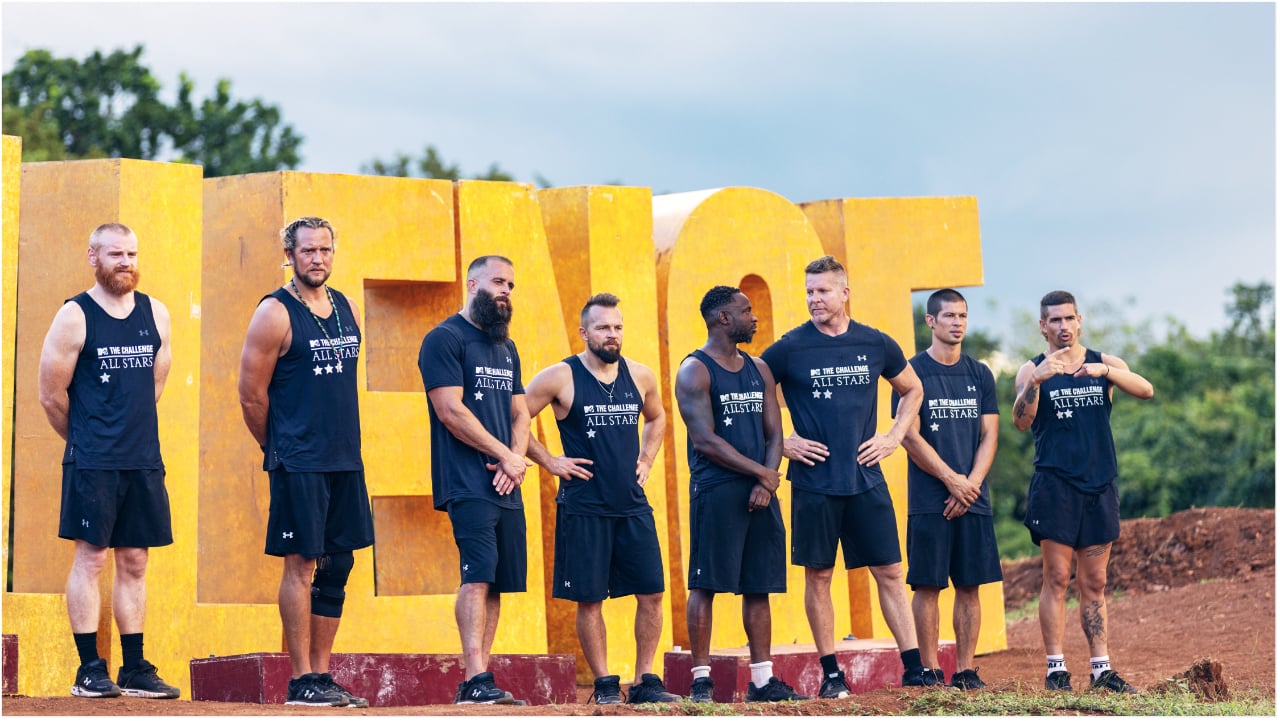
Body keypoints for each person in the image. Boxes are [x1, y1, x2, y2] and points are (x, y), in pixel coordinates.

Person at [761, 255, 927, 697]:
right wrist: (783, 444)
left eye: (823, 291)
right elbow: (746, 396)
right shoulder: (788, 348)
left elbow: (913, 389)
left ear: (844, 293)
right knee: (819, 576)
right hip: (814, 482)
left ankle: (914, 668)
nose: (814, 299)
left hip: (866, 479)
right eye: (810, 292)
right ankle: (832, 673)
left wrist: (893, 436)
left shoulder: (876, 343)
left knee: (890, 571)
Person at [38, 222, 180, 700]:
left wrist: (125, 432)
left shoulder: (156, 313)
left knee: (136, 561)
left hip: (142, 458)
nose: (126, 263)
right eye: (116, 254)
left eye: (132, 254)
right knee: (92, 557)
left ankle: (135, 668)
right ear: (92, 256)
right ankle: (88, 670)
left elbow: (154, 388)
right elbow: (51, 396)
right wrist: (86, 440)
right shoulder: (75, 316)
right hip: (93, 459)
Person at [238, 216, 375, 707]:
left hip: (345, 457)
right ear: (290, 255)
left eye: (324, 250)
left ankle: (322, 675)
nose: (317, 259)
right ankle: (300, 680)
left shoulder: (348, 308)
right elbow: (251, 397)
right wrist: (275, 449)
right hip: (298, 460)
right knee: (302, 563)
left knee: (339, 562)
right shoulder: (274, 313)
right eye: (308, 251)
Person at [524, 293, 681, 705]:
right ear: (584, 332)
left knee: (652, 592)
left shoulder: (640, 375)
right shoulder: (560, 376)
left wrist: (646, 458)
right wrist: (549, 461)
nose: (612, 335)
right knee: (589, 599)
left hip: (631, 504)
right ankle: (605, 684)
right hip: (584, 506)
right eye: (603, 327)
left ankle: (646, 680)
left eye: (617, 327)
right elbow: (514, 416)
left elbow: (659, 415)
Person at [1011, 290, 1153, 694]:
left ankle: (1101, 670)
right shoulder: (1031, 370)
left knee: (1095, 582)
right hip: (1055, 486)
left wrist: (1105, 374)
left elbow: (1146, 390)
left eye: (1069, 319)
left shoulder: (1104, 363)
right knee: (1056, 577)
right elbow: (1021, 422)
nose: (1063, 326)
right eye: (1054, 320)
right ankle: (1056, 669)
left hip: (1099, 485)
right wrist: (1034, 384)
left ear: (1080, 320)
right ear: (1043, 326)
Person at [674, 286, 808, 703]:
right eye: (745, 311)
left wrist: (766, 480)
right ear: (723, 319)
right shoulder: (694, 371)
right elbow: (705, 442)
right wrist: (765, 475)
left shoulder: (759, 369)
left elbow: (774, 432)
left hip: (759, 488)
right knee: (706, 583)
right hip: (717, 490)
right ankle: (701, 680)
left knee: (759, 585)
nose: (754, 317)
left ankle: (763, 681)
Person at [418, 255, 531, 705]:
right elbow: (450, 410)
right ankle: (474, 676)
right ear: (472, 284)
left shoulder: (507, 346)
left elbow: (520, 412)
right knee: (477, 574)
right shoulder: (444, 339)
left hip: (506, 480)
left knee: (499, 581)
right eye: (498, 282)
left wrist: (516, 460)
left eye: (510, 285)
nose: (506, 291)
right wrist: (505, 455)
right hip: (467, 481)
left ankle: (481, 681)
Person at [892, 289, 1001, 690]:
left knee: (970, 585)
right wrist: (950, 481)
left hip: (973, 498)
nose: (957, 323)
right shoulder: (910, 373)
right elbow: (910, 437)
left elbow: (989, 435)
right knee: (928, 585)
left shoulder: (980, 373)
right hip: (929, 499)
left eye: (963, 316)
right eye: (949, 316)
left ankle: (967, 670)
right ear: (930, 322)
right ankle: (929, 669)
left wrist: (969, 484)